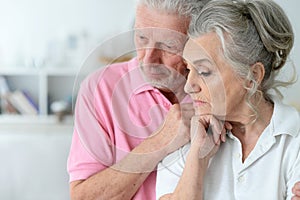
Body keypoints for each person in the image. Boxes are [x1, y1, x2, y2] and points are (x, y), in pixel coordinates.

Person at [156, 0, 300, 199]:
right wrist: (197, 160)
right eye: (189, 70)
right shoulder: (184, 137)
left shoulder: (295, 140)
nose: (189, 86)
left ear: (252, 77)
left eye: (204, 72)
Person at [67, 0, 210, 199]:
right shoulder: (100, 88)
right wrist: (160, 141)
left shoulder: (218, 91)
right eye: (142, 37)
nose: (149, 58)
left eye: (168, 45)